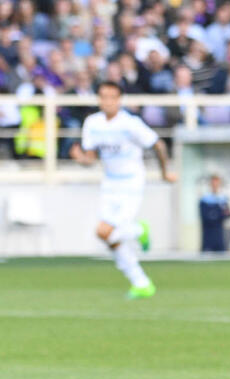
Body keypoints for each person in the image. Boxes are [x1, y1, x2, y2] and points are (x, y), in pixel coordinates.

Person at [69, 82, 176, 298]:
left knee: (106, 231)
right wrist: (80, 158)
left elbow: (159, 145)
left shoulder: (130, 123)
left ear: (119, 100)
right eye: (103, 97)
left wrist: (165, 173)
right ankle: (141, 282)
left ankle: (139, 230)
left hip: (131, 183)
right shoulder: (92, 123)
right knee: (108, 237)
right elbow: (91, 158)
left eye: (111, 97)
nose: (107, 102)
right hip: (109, 184)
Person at [199, 173, 230, 253]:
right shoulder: (205, 199)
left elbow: (228, 214)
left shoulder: (223, 199)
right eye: (213, 182)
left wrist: (214, 215)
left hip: (219, 234)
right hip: (208, 234)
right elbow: (205, 217)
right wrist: (219, 215)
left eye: (217, 182)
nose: (215, 184)